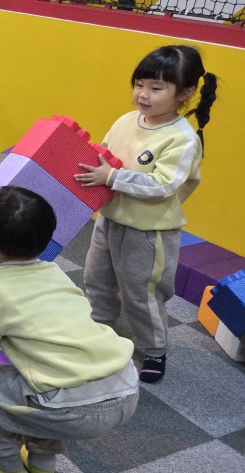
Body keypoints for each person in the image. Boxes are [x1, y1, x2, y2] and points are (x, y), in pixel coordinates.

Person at [0, 186, 138, 473]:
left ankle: (7, 464)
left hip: (76, 409)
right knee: (41, 383)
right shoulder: (56, 273)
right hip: (125, 387)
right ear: (47, 238)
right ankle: (42, 464)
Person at [75, 45, 217, 383]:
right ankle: (99, 329)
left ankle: (153, 349)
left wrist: (112, 177)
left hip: (149, 232)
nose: (142, 94)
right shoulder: (126, 121)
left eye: (156, 88)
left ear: (184, 93)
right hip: (110, 220)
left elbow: (163, 185)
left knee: (141, 293)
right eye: (139, 84)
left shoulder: (182, 138)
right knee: (96, 279)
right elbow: (104, 155)